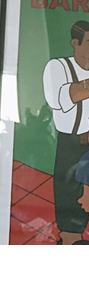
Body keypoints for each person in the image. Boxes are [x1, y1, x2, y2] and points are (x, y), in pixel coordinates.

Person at [42, 20, 89, 245]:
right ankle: (70, 240)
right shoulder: (58, 67)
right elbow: (61, 98)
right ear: (74, 43)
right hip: (72, 142)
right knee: (70, 195)